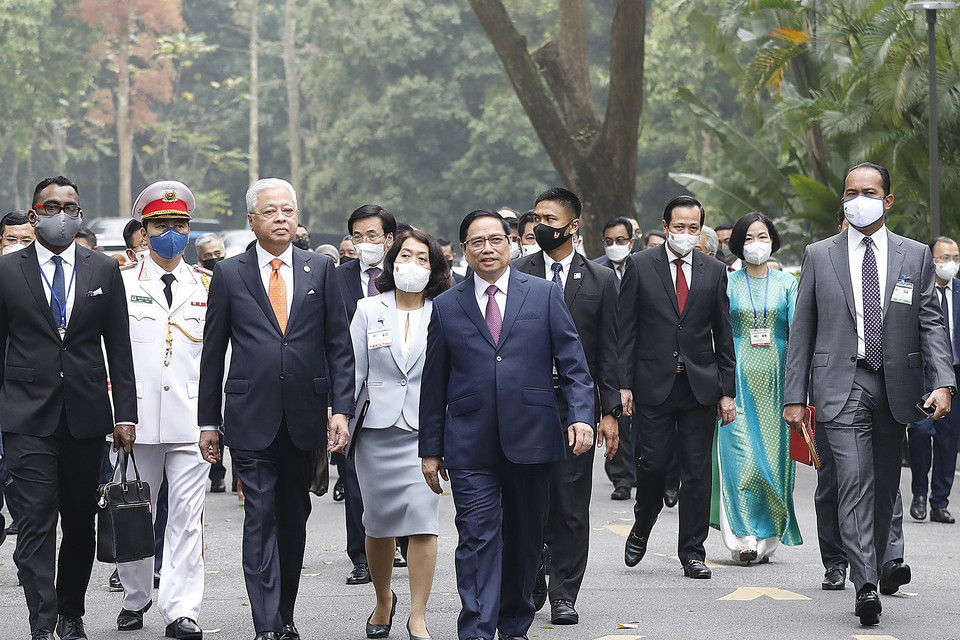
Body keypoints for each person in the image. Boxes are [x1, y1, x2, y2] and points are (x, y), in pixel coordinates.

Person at [783, 162, 956, 626]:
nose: (858, 199)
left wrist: (943, 381)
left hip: (897, 386)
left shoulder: (915, 255)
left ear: (888, 199)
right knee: (853, 482)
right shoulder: (820, 254)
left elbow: (930, 323)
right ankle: (863, 585)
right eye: (850, 192)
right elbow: (803, 329)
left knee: (882, 489)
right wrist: (794, 395)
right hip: (842, 383)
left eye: (869, 191)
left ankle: (878, 562)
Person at [419, 210, 595, 640]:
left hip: (532, 439)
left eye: (496, 240)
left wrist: (581, 416)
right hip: (469, 444)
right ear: (463, 250)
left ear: (512, 243)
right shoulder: (445, 305)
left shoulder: (542, 294)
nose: (488, 249)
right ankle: (477, 629)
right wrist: (430, 448)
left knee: (524, 540)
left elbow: (574, 366)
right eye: (477, 242)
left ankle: (514, 625)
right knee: (476, 537)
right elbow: (433, 382)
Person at [198, 178, 355, 640]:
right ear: (252, 220)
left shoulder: (319, 270)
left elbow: (338, 345)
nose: (281, 218)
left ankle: (284, 615)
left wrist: (340, 409)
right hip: (250, 416)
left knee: (293, 519)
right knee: (259, 518)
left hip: (306, 416)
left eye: (288, 210)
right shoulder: (229, 273)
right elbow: (213, 350)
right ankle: (265, 624)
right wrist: (208, 421)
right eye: (270, 212)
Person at [0, 175, 138, 640]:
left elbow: (119, 347)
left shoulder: (101, 270)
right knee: (36, 523)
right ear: (34, 212)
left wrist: (126, 415)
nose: (62, 214)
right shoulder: (6, 271)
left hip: (86, 415)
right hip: (26, 417)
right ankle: (41, 622)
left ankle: (70, 614)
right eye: (52, 206)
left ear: (79, 214)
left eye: (71, 207)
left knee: (80, 523)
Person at [515, 188, 620, 626]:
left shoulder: (599, 280)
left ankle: (564, 592)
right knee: (529, 498)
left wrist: (609, 411)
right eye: (536, 216)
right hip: (525, 405)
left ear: (573, 225)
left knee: (571, 502)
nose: (541, 224)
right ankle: (534, 572)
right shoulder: (517, 272)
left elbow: (610, 351)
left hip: (575, 404)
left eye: (550, 217)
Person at [618, 195, 737, 580]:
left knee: (697, 471)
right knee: (651, 466)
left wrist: (727, 389)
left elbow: (723, 332)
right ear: (666, 226)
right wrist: (624, 386)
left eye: (693, 227)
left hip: (699, 385)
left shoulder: (713, 270)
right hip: (653, 384)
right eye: (679, 227)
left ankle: (692, 551)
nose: (686, 234)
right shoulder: (639, 266)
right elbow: (627, 332)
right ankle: (643, 524)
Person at [116, 181, 210, 640]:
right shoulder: (120, 283)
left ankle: (181, 609)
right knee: (135, 511)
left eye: (179, 225)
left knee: (187, 518)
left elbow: (219, 360)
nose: (171, 232)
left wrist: (217, 418)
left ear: (188, 231)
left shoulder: (207, 285)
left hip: (191, 420)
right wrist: (116, 414)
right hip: (133, 421)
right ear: (145, 231)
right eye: (161, 225)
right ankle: (136, 598)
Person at [350, 230, 450, 640]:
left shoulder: (445, 310)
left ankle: (419, 614)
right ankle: (383, 599)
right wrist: (340, 420)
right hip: (376, 432)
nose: (412, 263)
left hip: (425, 432)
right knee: (378, 524)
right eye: (405, 255)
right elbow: (354, 371)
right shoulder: (367, 308)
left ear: (435, 267)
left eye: (422, 258)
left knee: (425, 522)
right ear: (391, 262)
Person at [712, 212, 801, 563]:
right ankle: (744, 537)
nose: (756, 244)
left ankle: (767, 538)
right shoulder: (727, 282)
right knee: (742, 459)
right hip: (737, 381)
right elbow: (716, 335)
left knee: (774, 462)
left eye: (762, 236)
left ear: (773, 239)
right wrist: (721, 387)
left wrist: (800, 389)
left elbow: (798, 335)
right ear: (737, 243)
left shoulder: (787, 283)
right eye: (748, 238)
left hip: (778, 384)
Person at [334, 204, 397, 586]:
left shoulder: (407, 276)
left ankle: (399, 543)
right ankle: (361, 557)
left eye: (372, 236)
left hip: (401, 391)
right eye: (357, 237)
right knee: (355, 478)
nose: (364, 244)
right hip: (351, 393)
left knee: (401, 475)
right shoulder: (335, 277)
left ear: (389, 239)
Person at [907, 235, 960, 525]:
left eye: (955, 258)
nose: (950, 264)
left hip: (955, 376)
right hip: (923, 375)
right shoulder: (917, 291)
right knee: (920, 432)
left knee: (948, 440)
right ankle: (918, 493)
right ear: (931, 259)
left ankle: (940, 502)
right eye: (944, 258)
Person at [594, 216, 634, 282]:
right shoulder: (597, 273)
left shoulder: (642, 268)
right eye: (609, 241)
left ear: (631, 242)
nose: (614, 245)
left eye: (620, 240)